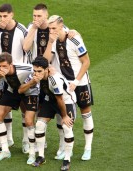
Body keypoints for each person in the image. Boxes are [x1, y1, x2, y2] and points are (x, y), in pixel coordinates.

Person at [44, 15, 94, 161]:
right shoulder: (53, 40)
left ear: (61, 26)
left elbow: (86, 62)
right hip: (65, 84)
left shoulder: (74, 38)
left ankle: (87, 148)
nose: (51, 31)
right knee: (63, 115)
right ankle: (65, 149)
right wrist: (50, 41)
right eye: (49, 28)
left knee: (85, 112)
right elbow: (46, 60)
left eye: (54, 28)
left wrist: (77, 81)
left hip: (81, 82)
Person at [0, 3, 32, 150]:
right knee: (5, 109)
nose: (2, 19)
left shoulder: (21, 30)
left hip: (19, 76)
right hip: (2, 75)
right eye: (0, 16)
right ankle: (9, 138)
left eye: (5, 16)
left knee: (25, 110)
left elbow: (27, 50)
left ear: (12, 14)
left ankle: (26, 141)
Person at [0, 52, 38, 161]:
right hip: (12, 91)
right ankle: (5, 150)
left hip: (28, 92)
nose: (2, 68)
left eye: (5, 66)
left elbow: (41, 70)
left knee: (28, 120)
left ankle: (30, 147)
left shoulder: (26, 68)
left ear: (11, 64)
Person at [29, 56, 75, 171]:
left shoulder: (54, 80)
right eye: (34, 71)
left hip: (65, 101)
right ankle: (40, 156)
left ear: (47, 69)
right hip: (50, 100)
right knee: (39, 125)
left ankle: (67, 160)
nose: (36, 73)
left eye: (39, 71)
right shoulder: (37, 76)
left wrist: (64, 116)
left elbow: (60, 99)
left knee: (67, 126)